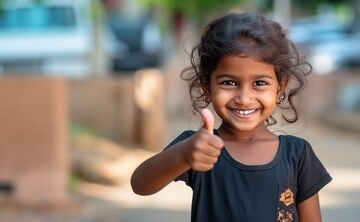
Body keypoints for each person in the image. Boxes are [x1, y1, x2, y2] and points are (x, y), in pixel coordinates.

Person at [131, 11, 332, 222]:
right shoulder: (199, 147)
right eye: (229, 82)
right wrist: (183, 154)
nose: (244, 99)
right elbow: (140, 184)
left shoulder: (298, 155)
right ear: (207, 86)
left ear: (279, 87)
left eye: (259, 83)